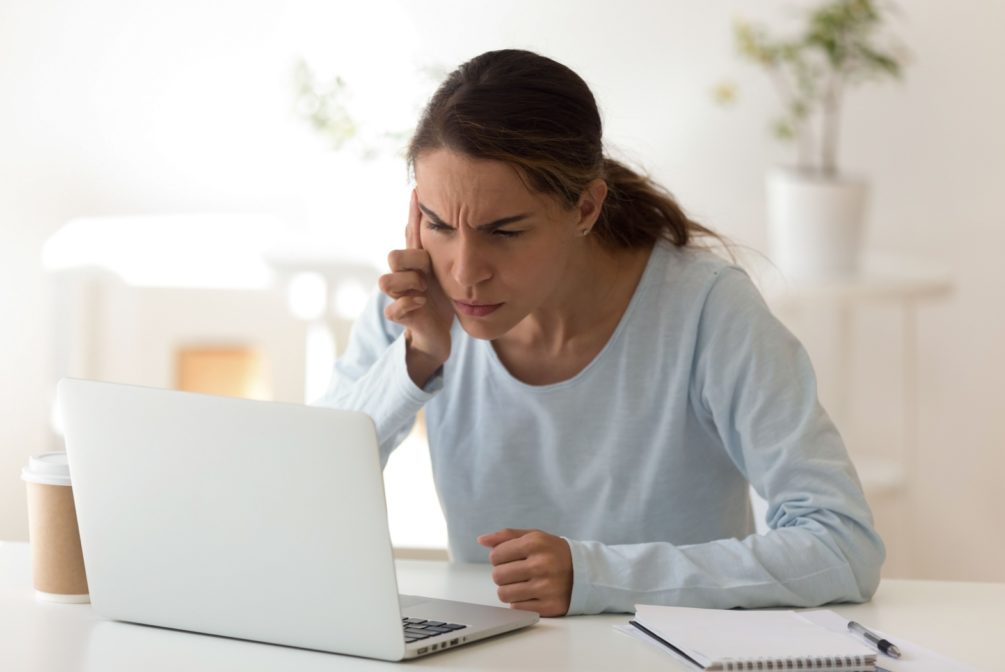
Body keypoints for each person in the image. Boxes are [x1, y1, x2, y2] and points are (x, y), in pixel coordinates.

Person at [313, 49, 885, 617]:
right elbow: (302, 495)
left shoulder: (706, 310)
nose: (465, 271)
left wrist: (598, 577)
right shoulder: (418, 305)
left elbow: (842, 542)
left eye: (504, 231)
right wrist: (416, 360)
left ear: (585, 208)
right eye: (437, 224)